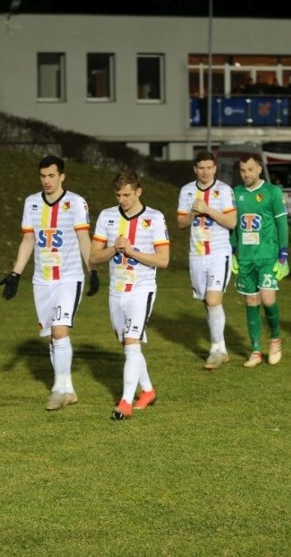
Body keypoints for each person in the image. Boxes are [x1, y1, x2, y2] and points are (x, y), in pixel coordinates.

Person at [0, 155, 99, 411]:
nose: (47, 181)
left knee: (60, 331)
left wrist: (93, 271)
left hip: (68, 278)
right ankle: (69, 391)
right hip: (42, 281)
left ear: (62, 176)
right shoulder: (31, 203)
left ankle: (57, 389)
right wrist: (16, 273)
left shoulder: (75, 203)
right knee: (52, 338)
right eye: (43, 176)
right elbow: (28, 241)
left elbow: (84, 238)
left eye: (52, 176)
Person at [90, 172, 169, 420]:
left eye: (126, 194)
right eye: (118, 195)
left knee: (133, 340)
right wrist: (114, 248)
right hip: (116, 290)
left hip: (141, 289)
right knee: (127, 343)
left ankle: (124, 402)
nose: (122, 199)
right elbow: (93, 257)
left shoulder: (154, 218)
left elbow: (163, 260)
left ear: (138, 192)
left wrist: (132, 252)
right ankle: (147, 390)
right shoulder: (107, 216)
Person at [176, 150, 237, 370]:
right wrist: (193, 213)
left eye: (209, 168)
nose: (205, 172)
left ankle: (217, 350)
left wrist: (207, 209)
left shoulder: (223, 190)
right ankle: (220, 348)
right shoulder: (187, 191)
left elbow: (231, 222)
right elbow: (181, 223)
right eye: (201, 168)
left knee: (213, 300)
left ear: (215, 168)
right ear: (195, 169)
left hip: (219, 253)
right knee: (207, 302)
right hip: (197, 254)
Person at [230, 152, 290, 368]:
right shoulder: (235, 193)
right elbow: (232, 224)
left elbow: (282, 224)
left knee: (267, 300)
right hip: (245, 258)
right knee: (250, 301)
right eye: (242, 170)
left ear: (259, 169)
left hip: (267, 256)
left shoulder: (272, 192)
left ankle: (275, 339)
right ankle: (255, 350)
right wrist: (233, 249)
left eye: (250, 170)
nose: (246, 174)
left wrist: (283, 253)